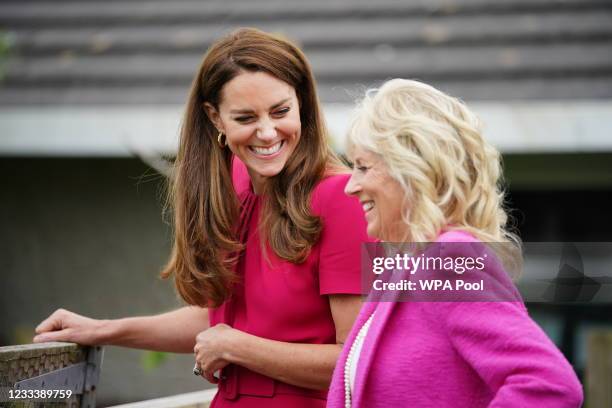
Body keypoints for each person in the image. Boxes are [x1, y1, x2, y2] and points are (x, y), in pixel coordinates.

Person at [33, 28, 370, 408]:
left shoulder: (343, 199)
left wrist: (235, 346)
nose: (267, 132)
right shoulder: (236, 181)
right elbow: (223, 321)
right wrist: (104, 330)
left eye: (281, 111)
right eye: (245, 117)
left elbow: (357, 360)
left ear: (303, 104)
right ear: (215, 118)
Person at [327, 79, 584, 407]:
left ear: (413, 168)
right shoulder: (409, 264)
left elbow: (549, 384)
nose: (351, 186)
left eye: (363, 167)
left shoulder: (448, 259)